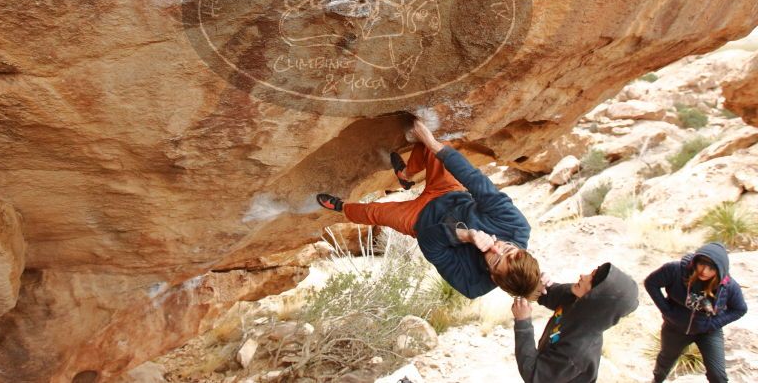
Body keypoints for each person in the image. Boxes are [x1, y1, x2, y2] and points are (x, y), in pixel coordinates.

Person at [316, 118, 540, 299]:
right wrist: (432, 142)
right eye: (508, 249)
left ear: (493, 277)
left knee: (374, 212)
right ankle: (405, 175)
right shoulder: (516, 227)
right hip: (450, 193)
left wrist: (465, 236)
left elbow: (429, 244)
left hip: (420, 221)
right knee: (436, 146)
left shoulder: (472, 285)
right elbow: (476, 182)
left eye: (496, 261)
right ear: (522, 249)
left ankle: (342, 207)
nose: (497, 248)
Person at [511, 263, 639, 383]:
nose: (583, 276)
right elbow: (547, 294)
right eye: (591, 274)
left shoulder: (577, 351)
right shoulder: (577, 299)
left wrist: (523, 323)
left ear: (597, 301)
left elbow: (534, 374)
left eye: (590, 281)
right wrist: (538, 281)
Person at [645, 242, 748, 383]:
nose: (704, 271)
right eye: (702, 264)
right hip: (676, 328)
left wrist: (713, 324)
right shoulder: (675, 270)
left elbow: (740, 309)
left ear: (719, 270)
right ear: (695, 262)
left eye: (711, 268)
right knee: (665, 362)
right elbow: (651, 283)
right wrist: (667, 311)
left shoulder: (728, 286)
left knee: (718, 376)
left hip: (708, 331)